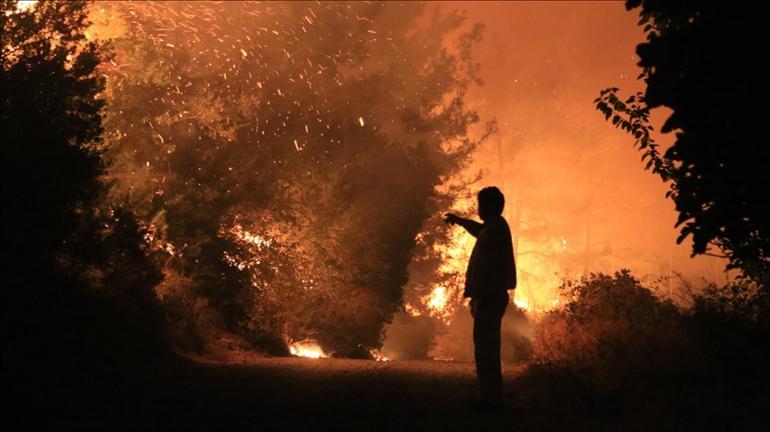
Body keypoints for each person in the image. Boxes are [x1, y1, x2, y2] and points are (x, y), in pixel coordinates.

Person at [444, 186, 516, 409]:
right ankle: (490, 395)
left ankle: (491, 398)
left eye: (481, 204)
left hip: (489, 295)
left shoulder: (495, 229)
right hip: (489, 295)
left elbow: (488, 267)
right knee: (486, 346)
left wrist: (479, 296)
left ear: (489, 206)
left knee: (486, 347)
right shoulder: (495, 227)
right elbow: (480, 230)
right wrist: (461, 221)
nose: (478, 209)